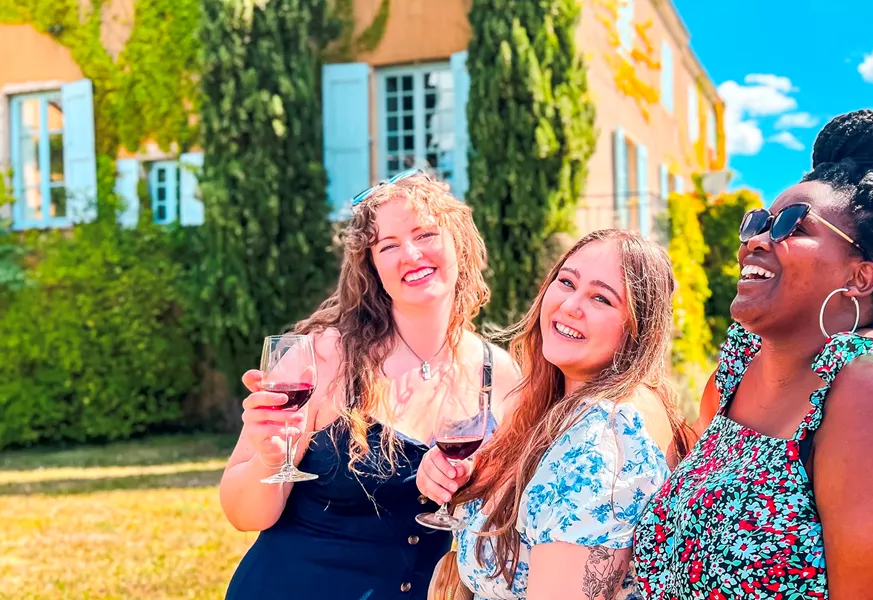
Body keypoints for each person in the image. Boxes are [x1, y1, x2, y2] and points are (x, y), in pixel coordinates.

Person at [633, 109, 873, 600]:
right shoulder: (735, 376)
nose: (755, 240)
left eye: (791, 225)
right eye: (757, 222)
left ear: (859, 277)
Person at [220, 170, 521, 600]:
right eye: (388, 245)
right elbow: (243, 513)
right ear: (373, 266)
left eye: (425, 234)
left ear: (460, 242)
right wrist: (269, 459)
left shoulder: (500, 377)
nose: (411, 254)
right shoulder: (321, 358)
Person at [416, 229, 694, 600]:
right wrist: (468, 478)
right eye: (566, 282)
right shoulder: (552, 408)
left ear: (636, 331)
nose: (570, 306)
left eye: (601, 298)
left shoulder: (600, 445)